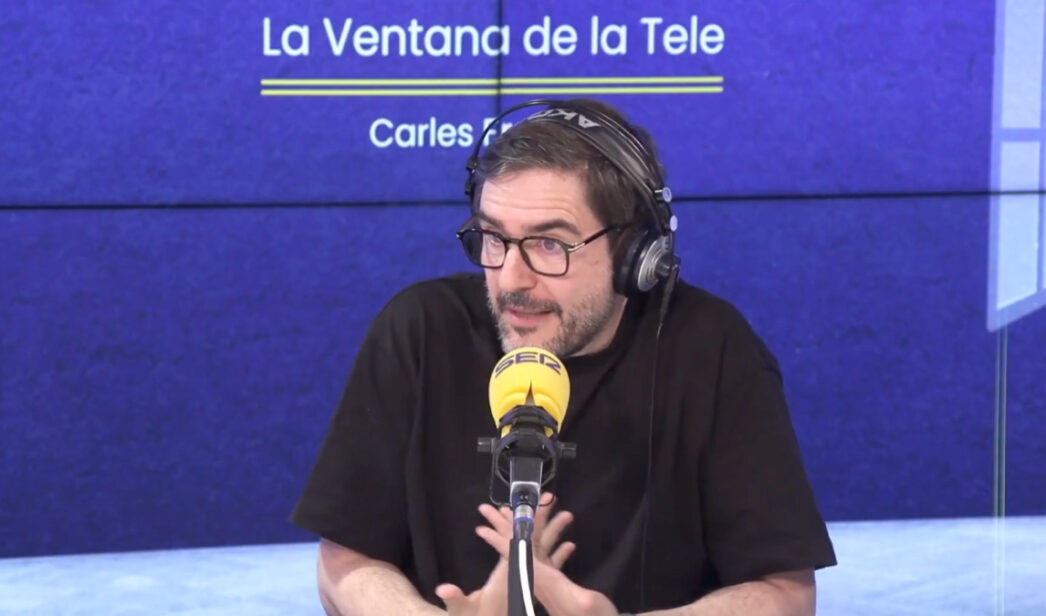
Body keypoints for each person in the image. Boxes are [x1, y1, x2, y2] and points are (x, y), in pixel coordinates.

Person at [290, 97, 837, 616]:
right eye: (493, 237)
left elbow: (784, 594)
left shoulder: (712, 349)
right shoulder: (421, 329)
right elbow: (345, 560)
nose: (511, 280)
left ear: (634, 254)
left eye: (549, 244)